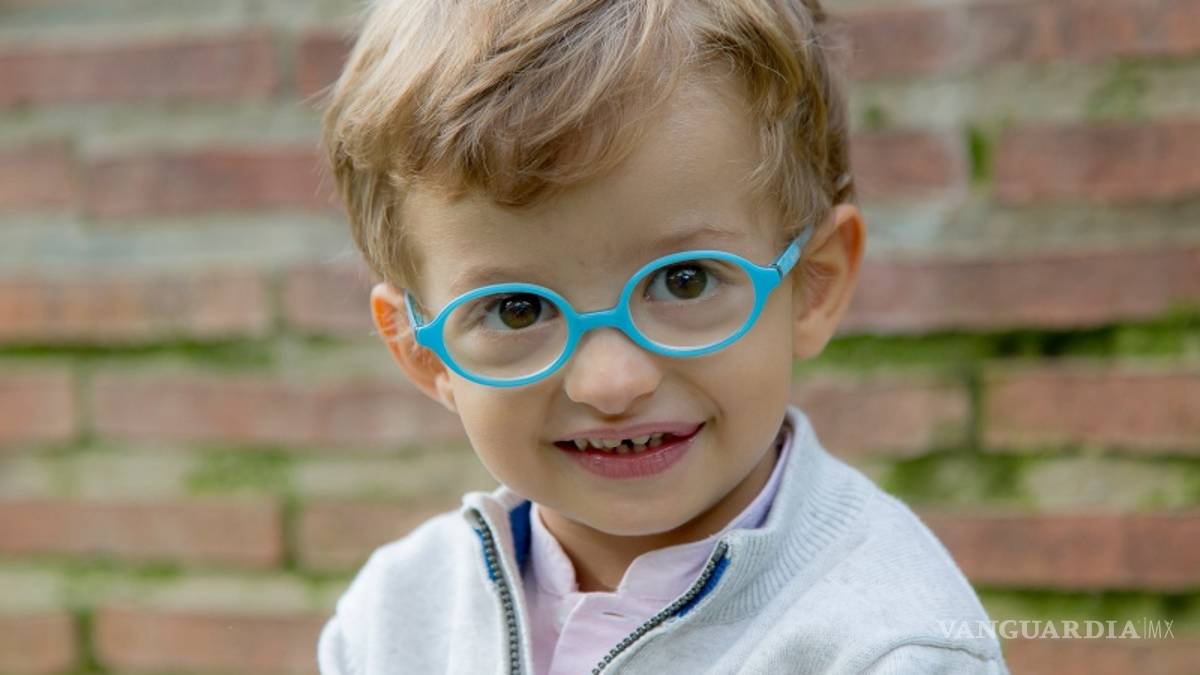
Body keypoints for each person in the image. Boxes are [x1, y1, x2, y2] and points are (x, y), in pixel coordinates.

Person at [316, 0, 1009, 672]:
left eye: (684, 281)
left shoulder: (887, 647)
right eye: (517, 309)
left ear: (814, 284)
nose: (611, 383)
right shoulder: (390, 619)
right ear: (422, 350)